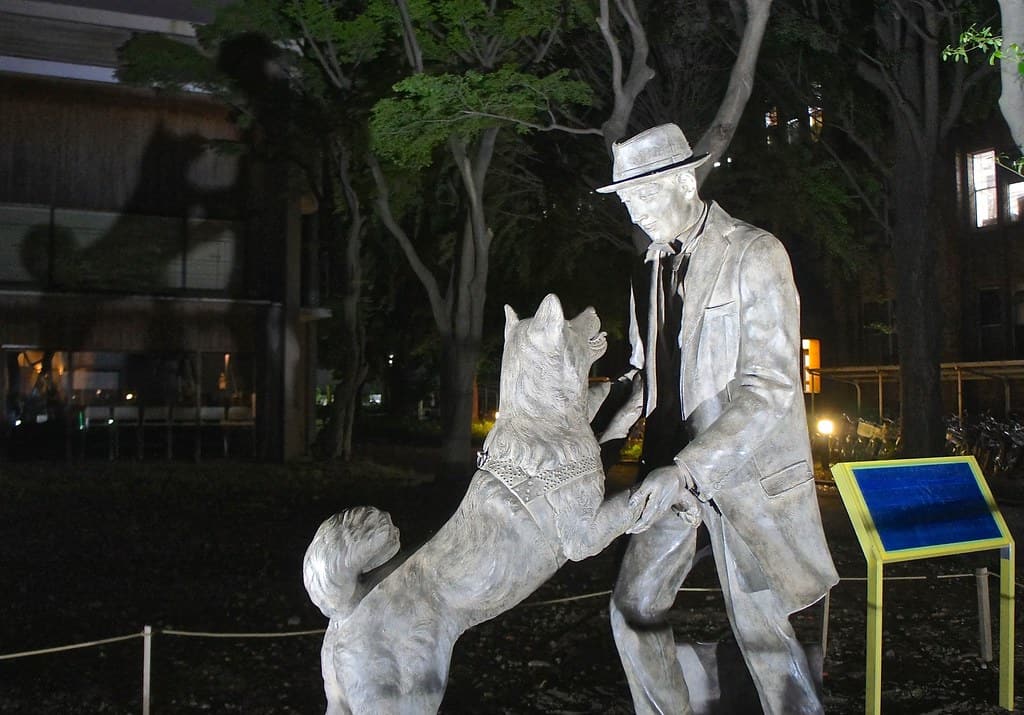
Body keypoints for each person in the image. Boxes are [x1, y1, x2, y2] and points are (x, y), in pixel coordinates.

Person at [596, 123, 839, 715]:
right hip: (668, 472)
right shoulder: (646, 269)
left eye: (645, 195)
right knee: (632, 607)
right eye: (628, 201)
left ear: (686, 178)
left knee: (763, 635)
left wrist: (687, 469)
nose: (638, 212)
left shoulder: (756, 253)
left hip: (740, 474)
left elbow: (770, 386)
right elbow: (644, 375)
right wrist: (591, 432)